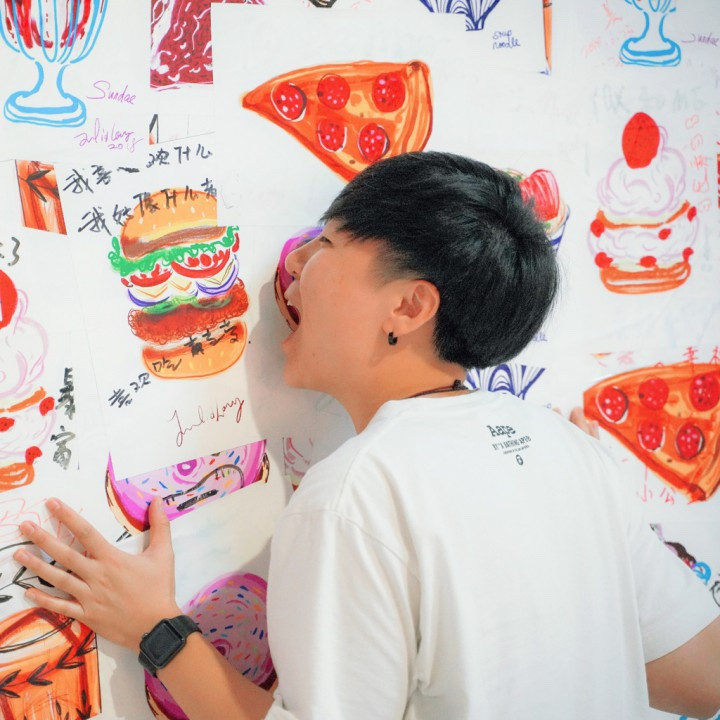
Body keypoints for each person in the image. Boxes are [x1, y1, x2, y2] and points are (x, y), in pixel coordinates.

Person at [15, 152, 720, 719]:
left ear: (409, 306)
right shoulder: (575, 456)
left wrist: (156, 629)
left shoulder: (355, 494)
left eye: (326, 244)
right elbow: (702, 677)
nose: (293, 266)